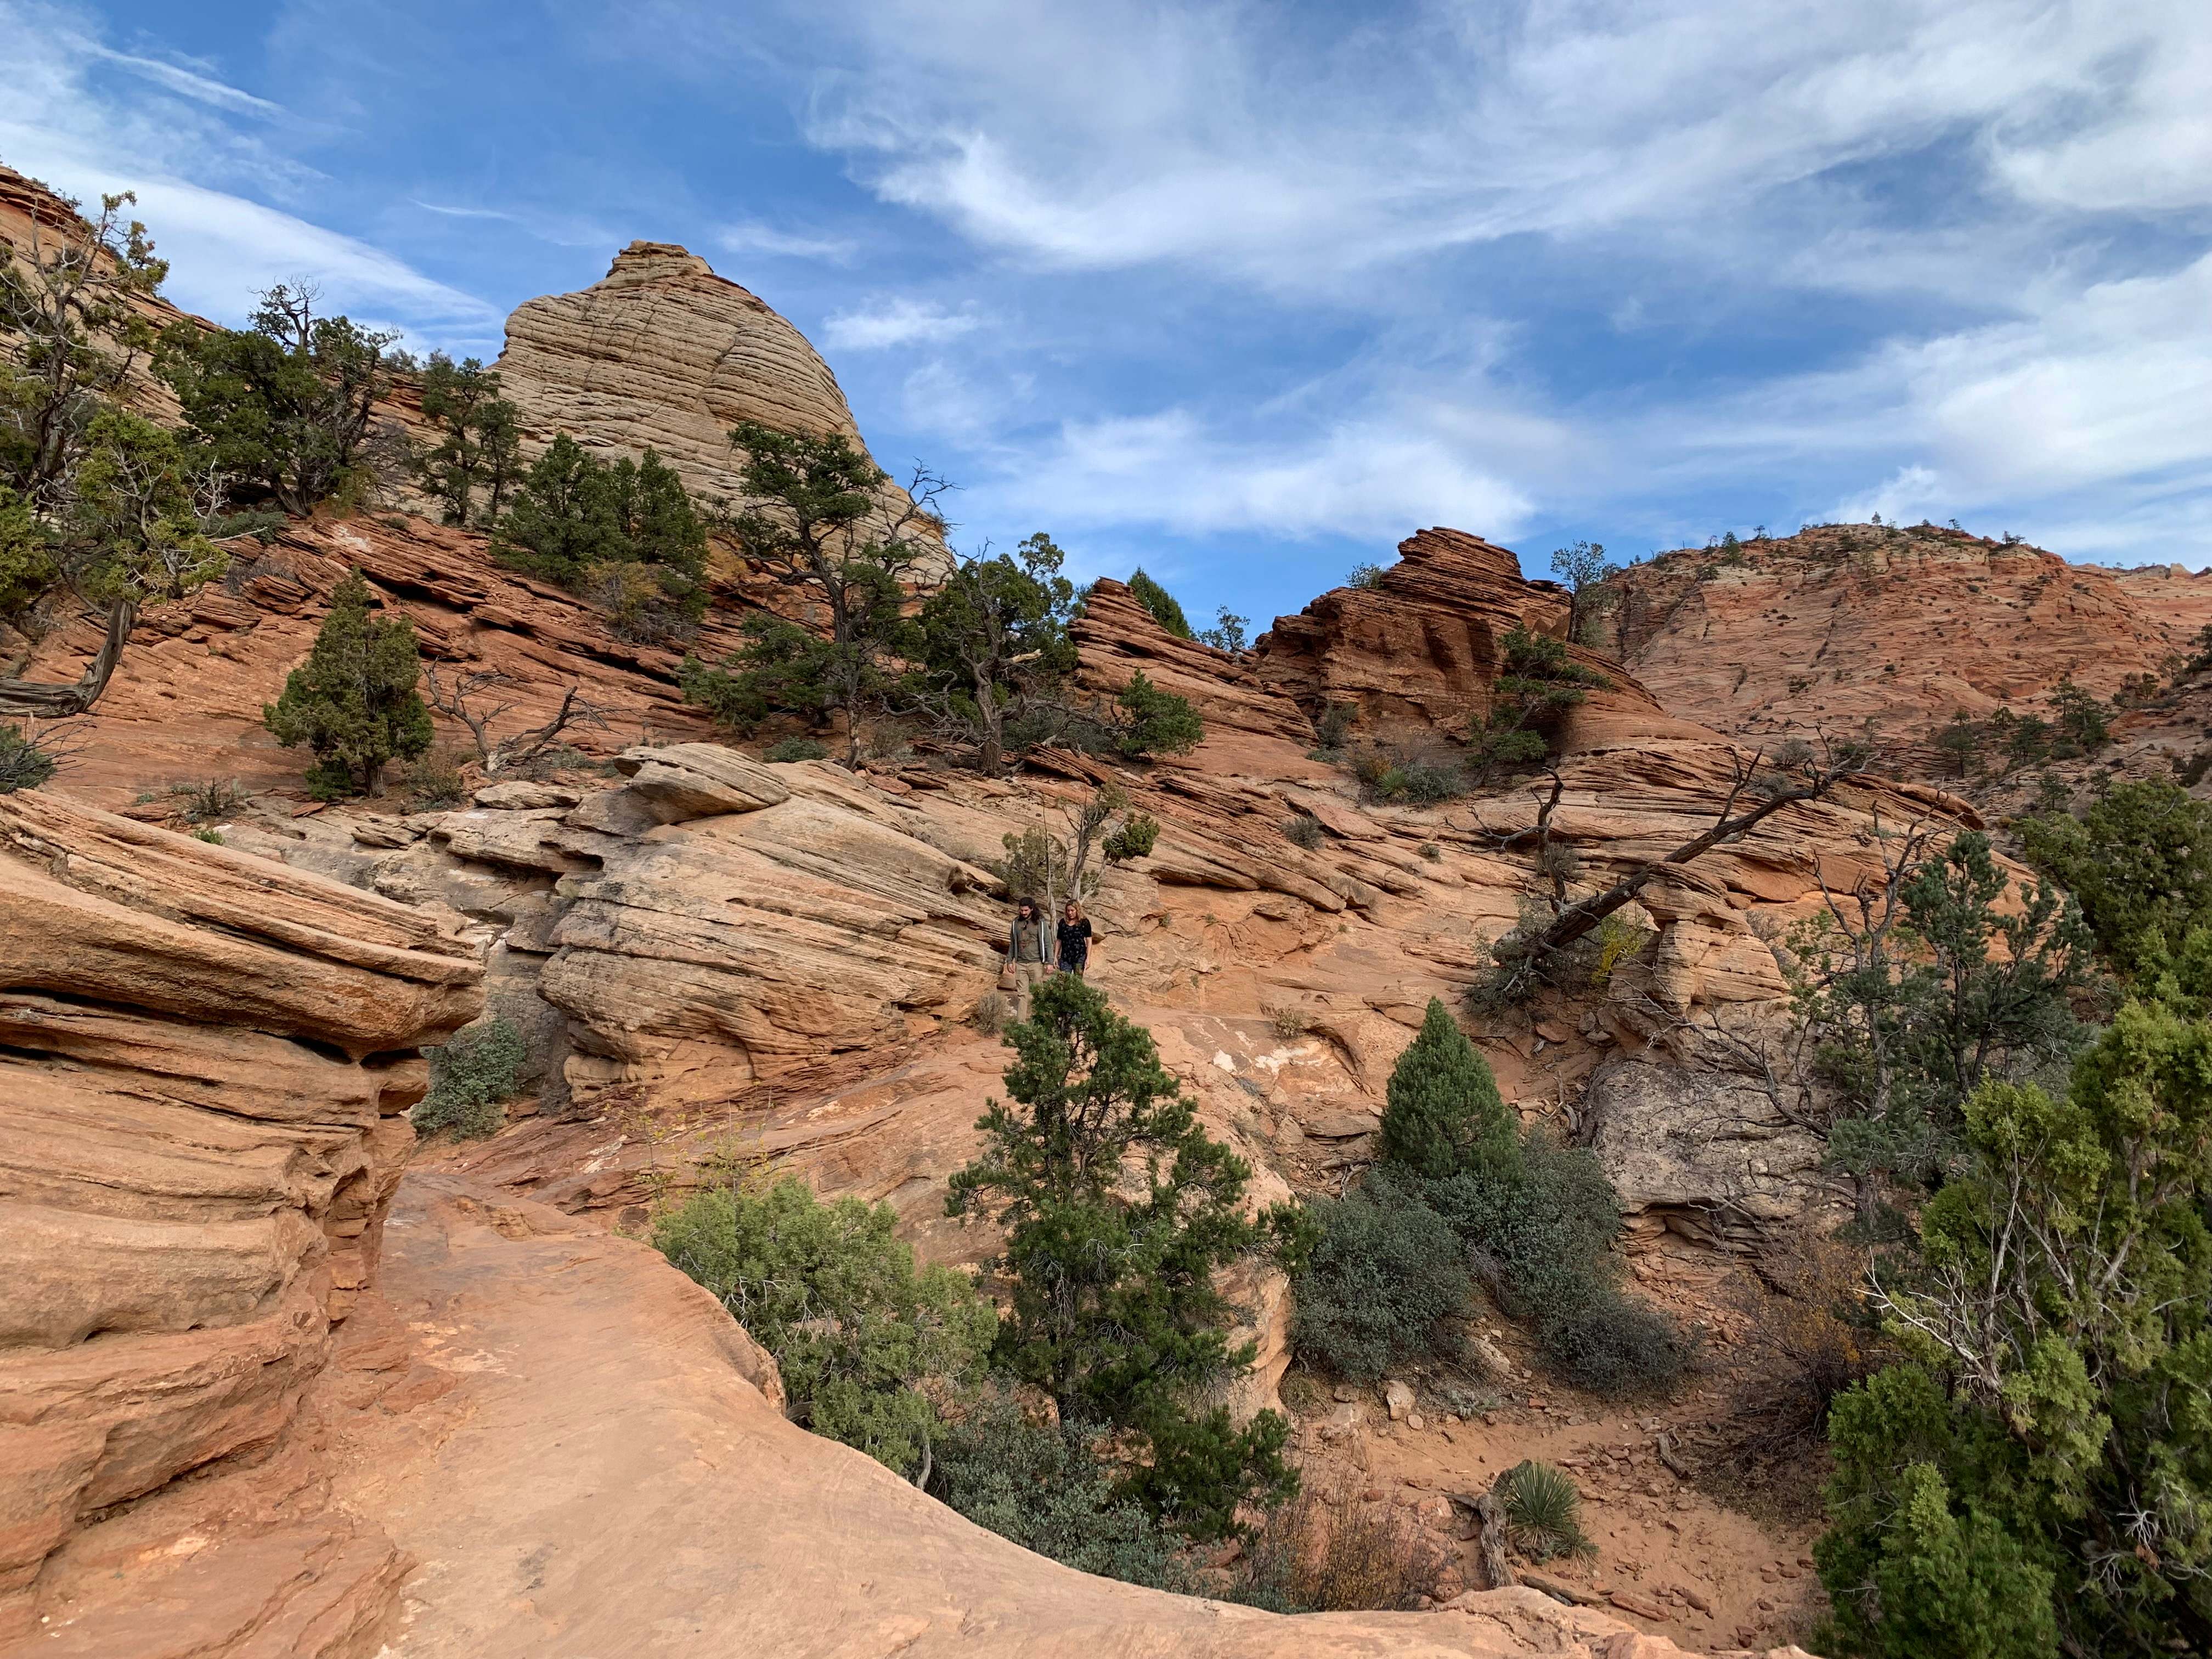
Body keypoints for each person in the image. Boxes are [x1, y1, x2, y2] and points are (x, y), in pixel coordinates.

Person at [1004, 896, 1051, 1018]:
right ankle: (1021, 1024)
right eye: (1021, 910)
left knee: (1038, 994)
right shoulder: (1016, 923)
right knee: (1022, 995)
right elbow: (1013, 942)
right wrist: (1010, 960)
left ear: (1032, 909)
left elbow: (1047, 942)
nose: (1023, 913)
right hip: (1020, 963)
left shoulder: (1040, 923)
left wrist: (1050, 961)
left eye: (1026, 910)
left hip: (1036, 963)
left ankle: (1039, 1021)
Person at [1056, 898, 1094, 977]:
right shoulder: (1063, 922)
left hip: (1080, 956)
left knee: (1077, 981)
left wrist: (1088, 958)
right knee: (1064, 981)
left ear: (1077, 910)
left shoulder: (1084, 922)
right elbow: (1059, 940)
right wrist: (1055, 957)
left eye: (1072, 911)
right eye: (1068, 911)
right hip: (1065, 957)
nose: (1070, 913)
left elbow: (1089, 940)